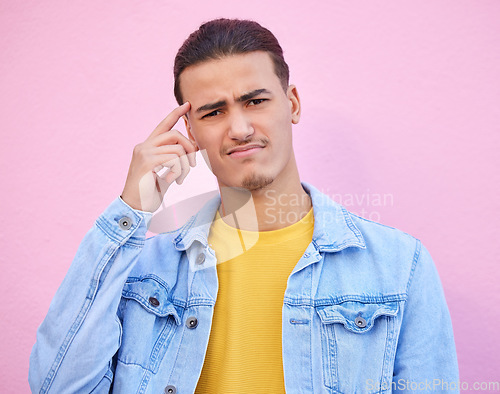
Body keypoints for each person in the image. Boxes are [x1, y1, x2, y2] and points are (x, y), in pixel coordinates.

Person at [29, 18, 459, 393]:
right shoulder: (143, 269)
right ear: (190, 132)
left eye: (255, 101)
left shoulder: (400, 266)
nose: (239, 128)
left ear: (292, 103)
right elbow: (58, 386)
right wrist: (129, 210)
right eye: (213, 112)